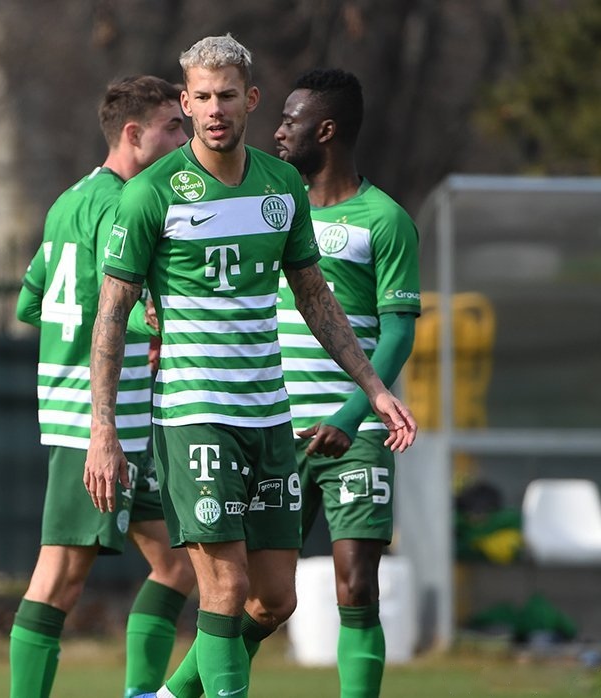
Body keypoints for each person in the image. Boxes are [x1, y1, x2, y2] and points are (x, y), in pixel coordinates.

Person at [85, 35, 417, 698]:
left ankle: (172, 694)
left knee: (274, 601)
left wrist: (373, 388)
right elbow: (112, 317)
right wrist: (104, 430)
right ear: (185, 100)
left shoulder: (281, 185)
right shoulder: (151, 194)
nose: (214, 109)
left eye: (227, 96)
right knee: (226, 586)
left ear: (250, 100)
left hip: (270, 419)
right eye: (201, 97)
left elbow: (315, 298)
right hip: (195, 415)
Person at [8, 75, 196, 698]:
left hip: (123, 416)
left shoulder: (70, 199)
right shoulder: (127, 202)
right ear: (134, 134)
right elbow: (122, 310)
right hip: (94, 418)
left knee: (177, 565)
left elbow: (32, 301)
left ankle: (142, 692)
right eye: (173, 125)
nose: (185, 135)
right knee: (60, 575)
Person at [273, 68, 420, 698]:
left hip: (353, 431)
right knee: (259, 600)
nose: (278, 132)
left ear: (325, 130)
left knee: (357, 585)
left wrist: (353, 413)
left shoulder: (384, 219)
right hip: (272, 427)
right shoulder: (274, 209)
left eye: (290, 120)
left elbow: (397, 335)